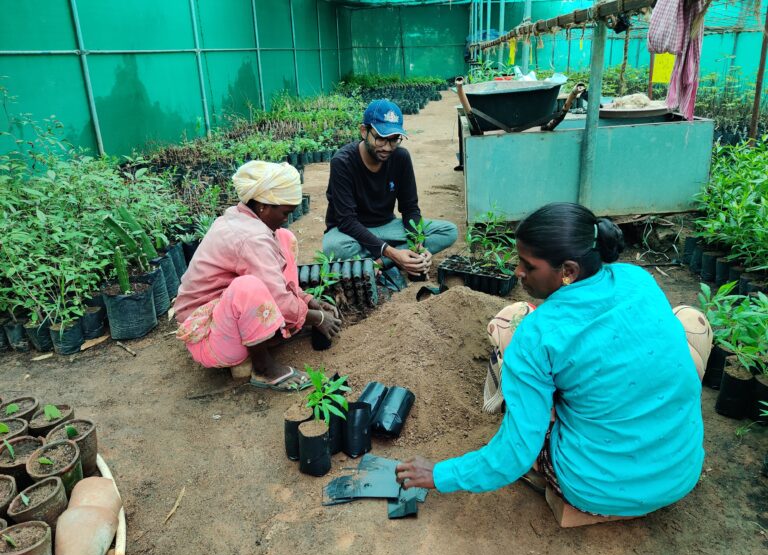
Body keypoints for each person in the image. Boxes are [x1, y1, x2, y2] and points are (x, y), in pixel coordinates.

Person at [396, 202, 710, 519]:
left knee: (510, 324)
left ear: (569, 271)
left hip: (596, 488)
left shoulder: (537, 334)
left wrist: (438, 473)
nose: (518, 272)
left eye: (529, 266)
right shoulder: (639, 280)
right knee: (687, 321)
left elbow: (514, 455)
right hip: (680, 473)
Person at [174, 161, 342, 390]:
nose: (287, 218)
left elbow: (277, 281)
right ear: (263, 206)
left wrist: (308, 301)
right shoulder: (251, 238)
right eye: (285, 212)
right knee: (248, 287)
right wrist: (318, 318)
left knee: (284, 238)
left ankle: (273, 330)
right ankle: (264, 368)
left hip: (225, 317)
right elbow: (277, 297)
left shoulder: (244, 218)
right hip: (208, 337)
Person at [322, 99, 458, 278]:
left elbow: (410, 208)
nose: (387, 147)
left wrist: (419, 245)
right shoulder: (343, 162)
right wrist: (392, 252)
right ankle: (394, 257)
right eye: (380, 139)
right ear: (364, 131)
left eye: (394, 140)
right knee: (334, 247)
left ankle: (377, 263)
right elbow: (346, 221)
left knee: (448, 231)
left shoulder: (401, 158)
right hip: (350, 232)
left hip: (387, 227)